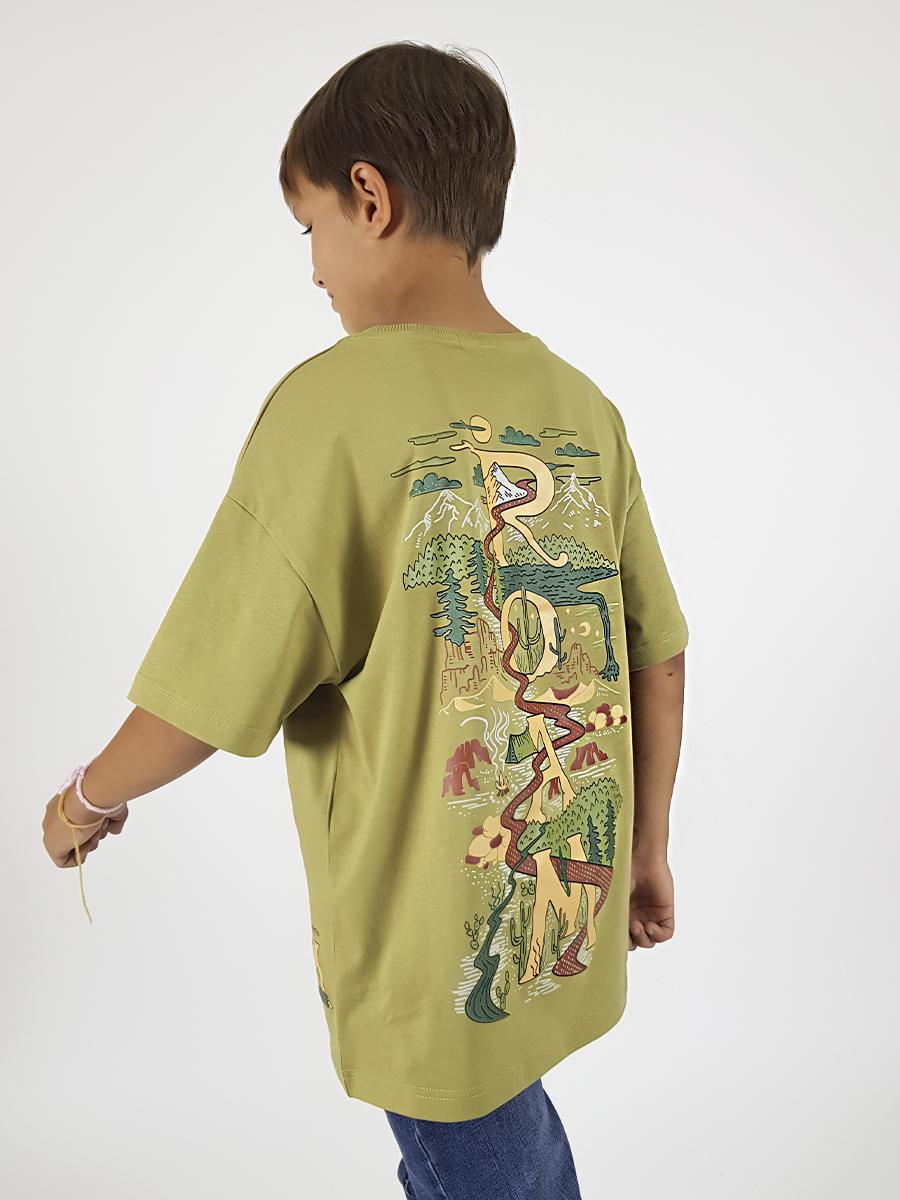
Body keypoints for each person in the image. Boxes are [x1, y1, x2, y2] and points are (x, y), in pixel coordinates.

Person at [42, 40, 688, 1200]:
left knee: (481, 1154)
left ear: (370, 198)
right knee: (510, 1127)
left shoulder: (328, 409)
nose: (312, 272)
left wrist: (85, 799)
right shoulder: (582, 407)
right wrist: (645, 849)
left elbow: (208, 685)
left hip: (431, 951)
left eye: (311, 229)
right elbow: (661, 651)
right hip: (566, 891)